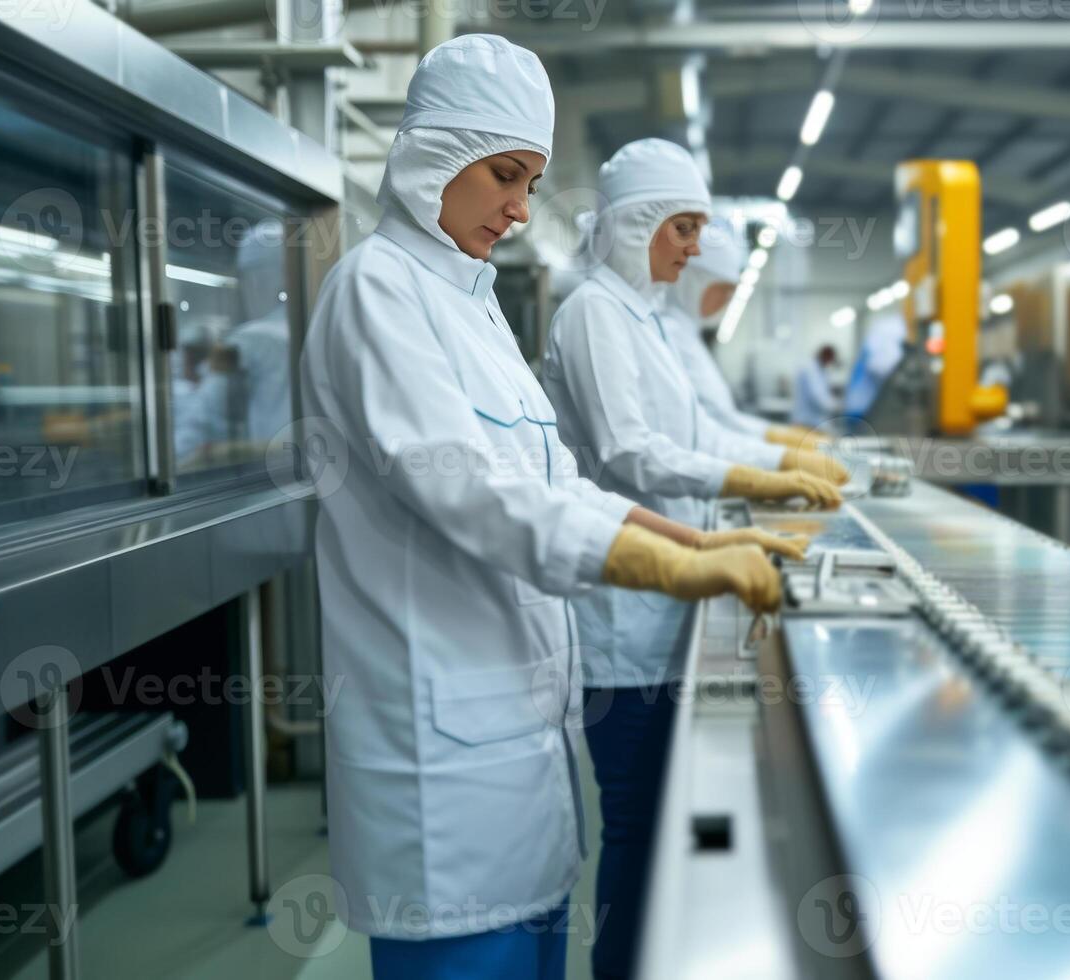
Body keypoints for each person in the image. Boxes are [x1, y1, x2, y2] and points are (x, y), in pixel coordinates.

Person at [297, 37, 793, 980]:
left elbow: (560, 481)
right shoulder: (377, 291)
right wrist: (674, 568)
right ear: (435, 158)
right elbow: (475, 493)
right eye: (504, 175)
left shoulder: (475, 306)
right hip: (438, 775)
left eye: (530, 180)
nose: (521, 209)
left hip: (520, 757)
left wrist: (691, 537)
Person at [540, 138, 846, 980]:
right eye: (681, 228)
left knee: (650, 822)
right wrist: (753, 475)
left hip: (662, 605)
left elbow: (697, 433)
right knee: (636, 825)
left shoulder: (637, 317)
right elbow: (631, 452)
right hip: (620, 622)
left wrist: (775, 468)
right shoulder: (593, 314)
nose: (688, 247)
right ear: (638, 225)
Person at [662, 217, 829, 451]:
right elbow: (717, 426)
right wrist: (779, 451)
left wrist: (779, 438)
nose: (726, 301)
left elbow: (723, 420)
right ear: (693, 282)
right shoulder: (673, 336)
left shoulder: (688, 336)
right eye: (723, 290)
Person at [791, 343, 840, 428]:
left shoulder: (820, 369)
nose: (829, 364)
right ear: (826, 357)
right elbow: (818, 397)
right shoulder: (811, 369)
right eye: (830, 360)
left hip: (812, 420)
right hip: (806, 421)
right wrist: (837, 406)